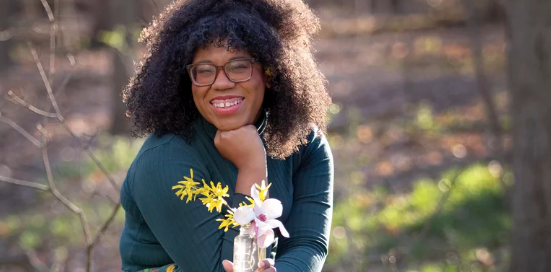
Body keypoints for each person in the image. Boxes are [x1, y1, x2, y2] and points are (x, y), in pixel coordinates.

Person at [119, 0, 333, 271]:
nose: (221, 83)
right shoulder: (163, 161)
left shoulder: (304, 143)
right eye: (205, 71)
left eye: (239, 66)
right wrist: (252, 167)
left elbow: (309, 244)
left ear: (271, 72)